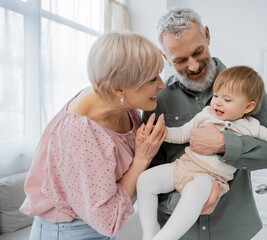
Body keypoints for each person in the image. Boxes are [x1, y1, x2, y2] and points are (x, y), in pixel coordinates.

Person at [141, 8, 267, 240]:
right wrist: (185, 202)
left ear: (207, 36)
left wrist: (225, 145)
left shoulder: (245, 90)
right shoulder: (159, 100)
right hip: (180, 233)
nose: (192, 66)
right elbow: (149, 167)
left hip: (232, 230)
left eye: (198, 52)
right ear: (164, 56)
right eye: (179, 60)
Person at [19, 31, 167, 240]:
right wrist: (142, 158)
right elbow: (107, 219)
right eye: (152, 78)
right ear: (118, 89)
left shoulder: (119, 104)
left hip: (97, 227)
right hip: (69, 231)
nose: (162, 85)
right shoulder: (79, 133)